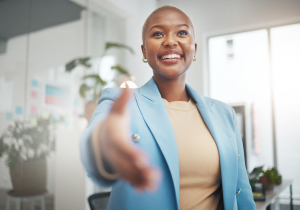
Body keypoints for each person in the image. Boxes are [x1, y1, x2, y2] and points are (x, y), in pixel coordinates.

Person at [80, 5, 255, 210]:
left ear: (194, 49)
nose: (170, 41)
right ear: (144, 51)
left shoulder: (224, 114)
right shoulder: (120, 102)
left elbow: (242, 193)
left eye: (181, 32)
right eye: (158, 34)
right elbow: (96, 148)